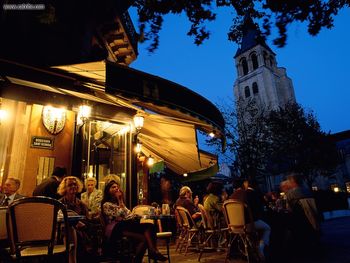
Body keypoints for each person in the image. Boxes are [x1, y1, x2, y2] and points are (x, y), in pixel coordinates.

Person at [101, 180, 167, 262]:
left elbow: (128, 214)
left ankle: (141, 257)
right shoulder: (106, 204)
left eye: (117, 187)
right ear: (108, 190)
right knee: (146, 225)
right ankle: (153, 251)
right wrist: (120, 201)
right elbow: (117, 216)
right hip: (114, 229)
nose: (116, 189)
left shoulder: (119, 203)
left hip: (124, 226)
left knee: (144, 237)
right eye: (113, 187)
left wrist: (135, 215)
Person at [230, 178, 271, 261]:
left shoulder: (231, 197)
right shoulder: (247, 194)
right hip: (247, 225)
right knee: (267, 227)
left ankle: (251, 249)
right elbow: (257, 210)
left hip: (233, 227)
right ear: (243, 184)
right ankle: (261, 247)